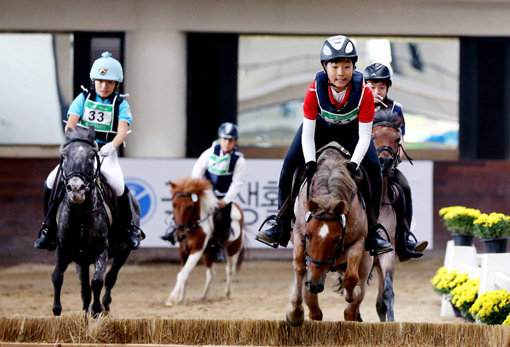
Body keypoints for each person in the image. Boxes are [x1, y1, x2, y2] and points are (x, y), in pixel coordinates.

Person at [256, 35, 393, 256]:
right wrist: (310, 161)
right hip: (319, 128)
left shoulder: (365, 93)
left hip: (353, 131)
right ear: (325, 67)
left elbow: (365, 134)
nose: (341, 72)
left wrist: (354, 164)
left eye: (347, 66)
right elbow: (308, 132)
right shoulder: (313, 90)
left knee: (374, 170)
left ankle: (374, 230)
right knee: (289, 165)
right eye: (335, 66)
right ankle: (279, 225)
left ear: (354, 67)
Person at [34, 51, 144, 251]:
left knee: (118, 186)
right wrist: (74, 142)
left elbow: (122, 131)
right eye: (100, 81)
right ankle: (48, 227)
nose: (104, 86)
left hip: (105, 153)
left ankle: (129, 230)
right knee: (50, 181)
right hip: (81, 151)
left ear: (116, 84)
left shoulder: (121, 104)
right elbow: (71, 124)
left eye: (109, 83)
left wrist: (111, 146)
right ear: (94, 81)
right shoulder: (83, 98)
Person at [363, 62, 428, 261]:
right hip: (362, 166)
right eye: (372, 87)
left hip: (386, 167)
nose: (377, 91)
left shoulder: (396, 109)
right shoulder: (357, 106)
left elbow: (402, 142)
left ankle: (405, 237)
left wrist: (394, 160)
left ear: (388, 87)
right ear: (365, 86)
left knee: (404, 187)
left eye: (381, 87)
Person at [161, 122, 246, 259]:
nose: (227, 142)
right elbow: (197, 171)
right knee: (185, 206)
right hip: (206, 194)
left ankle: (217, 246)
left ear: (235, 141)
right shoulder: (209, 153)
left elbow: (237, 183)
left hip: (223, 197)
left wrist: (226, 200)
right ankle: (174, 230)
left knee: (224, 218)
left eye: (230, 140)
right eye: (224, 139)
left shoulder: (239, 160)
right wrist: (200, 190)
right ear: (219, 139)